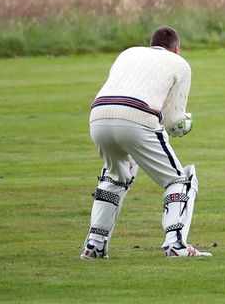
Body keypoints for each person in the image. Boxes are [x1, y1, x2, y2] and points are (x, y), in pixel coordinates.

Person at [80, 25, 209, 259]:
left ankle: (94, 246)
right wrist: (185, 125)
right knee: (180, 180)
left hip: (97, 116)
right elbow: (173, 121)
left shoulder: (128, 53)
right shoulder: (180, 64)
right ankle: (176, 244)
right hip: (137, 118)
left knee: (116, 176)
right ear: (176, 49)